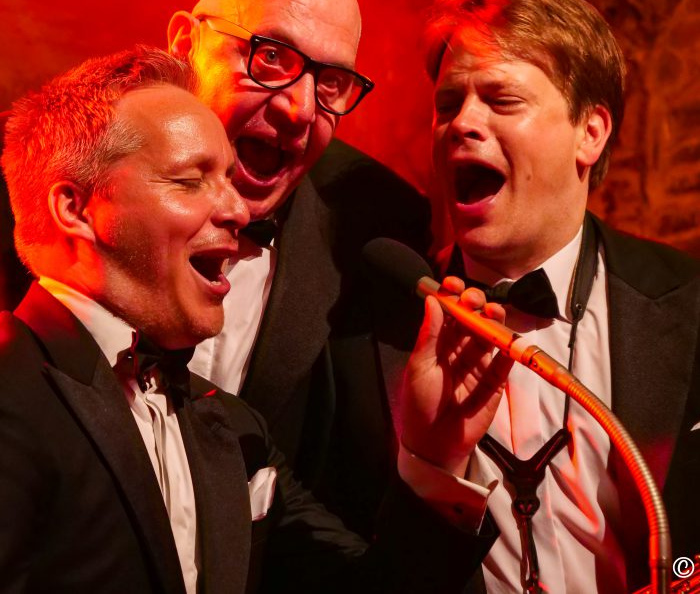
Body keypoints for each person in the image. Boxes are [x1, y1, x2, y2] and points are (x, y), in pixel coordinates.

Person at [0, 45, 501, 593]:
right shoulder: (13, 388)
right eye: (190, 181)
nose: (238, 210)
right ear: (75, 208)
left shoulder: (234, 430)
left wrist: (436, 457)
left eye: (226, 179)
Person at [422, 0, 700, 593]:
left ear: (590, 133)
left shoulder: (689, 303)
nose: (462, 123)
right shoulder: (377, 327)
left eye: (501, 99)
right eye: (448, 104)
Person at [165, 0, 430, 535]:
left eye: (331, 82)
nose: (301, 108)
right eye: (271, 56)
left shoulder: (374, 227)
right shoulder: (56, 180)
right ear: (185, 45)